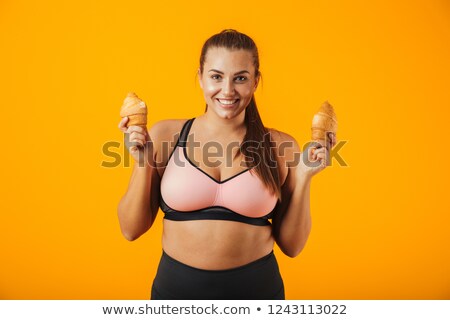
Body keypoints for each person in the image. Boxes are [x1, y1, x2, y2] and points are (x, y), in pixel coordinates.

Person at [117, 29, 336, 300]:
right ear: (200, 77)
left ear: (256, 81)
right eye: (216, 77)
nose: (228, 90)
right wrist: (142, 163)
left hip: (258, 296)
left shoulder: (280, 145)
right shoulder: (165, 136)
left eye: (240, 78)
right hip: (175, 296)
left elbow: (292, 246)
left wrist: (304, 176)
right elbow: (130, 229)